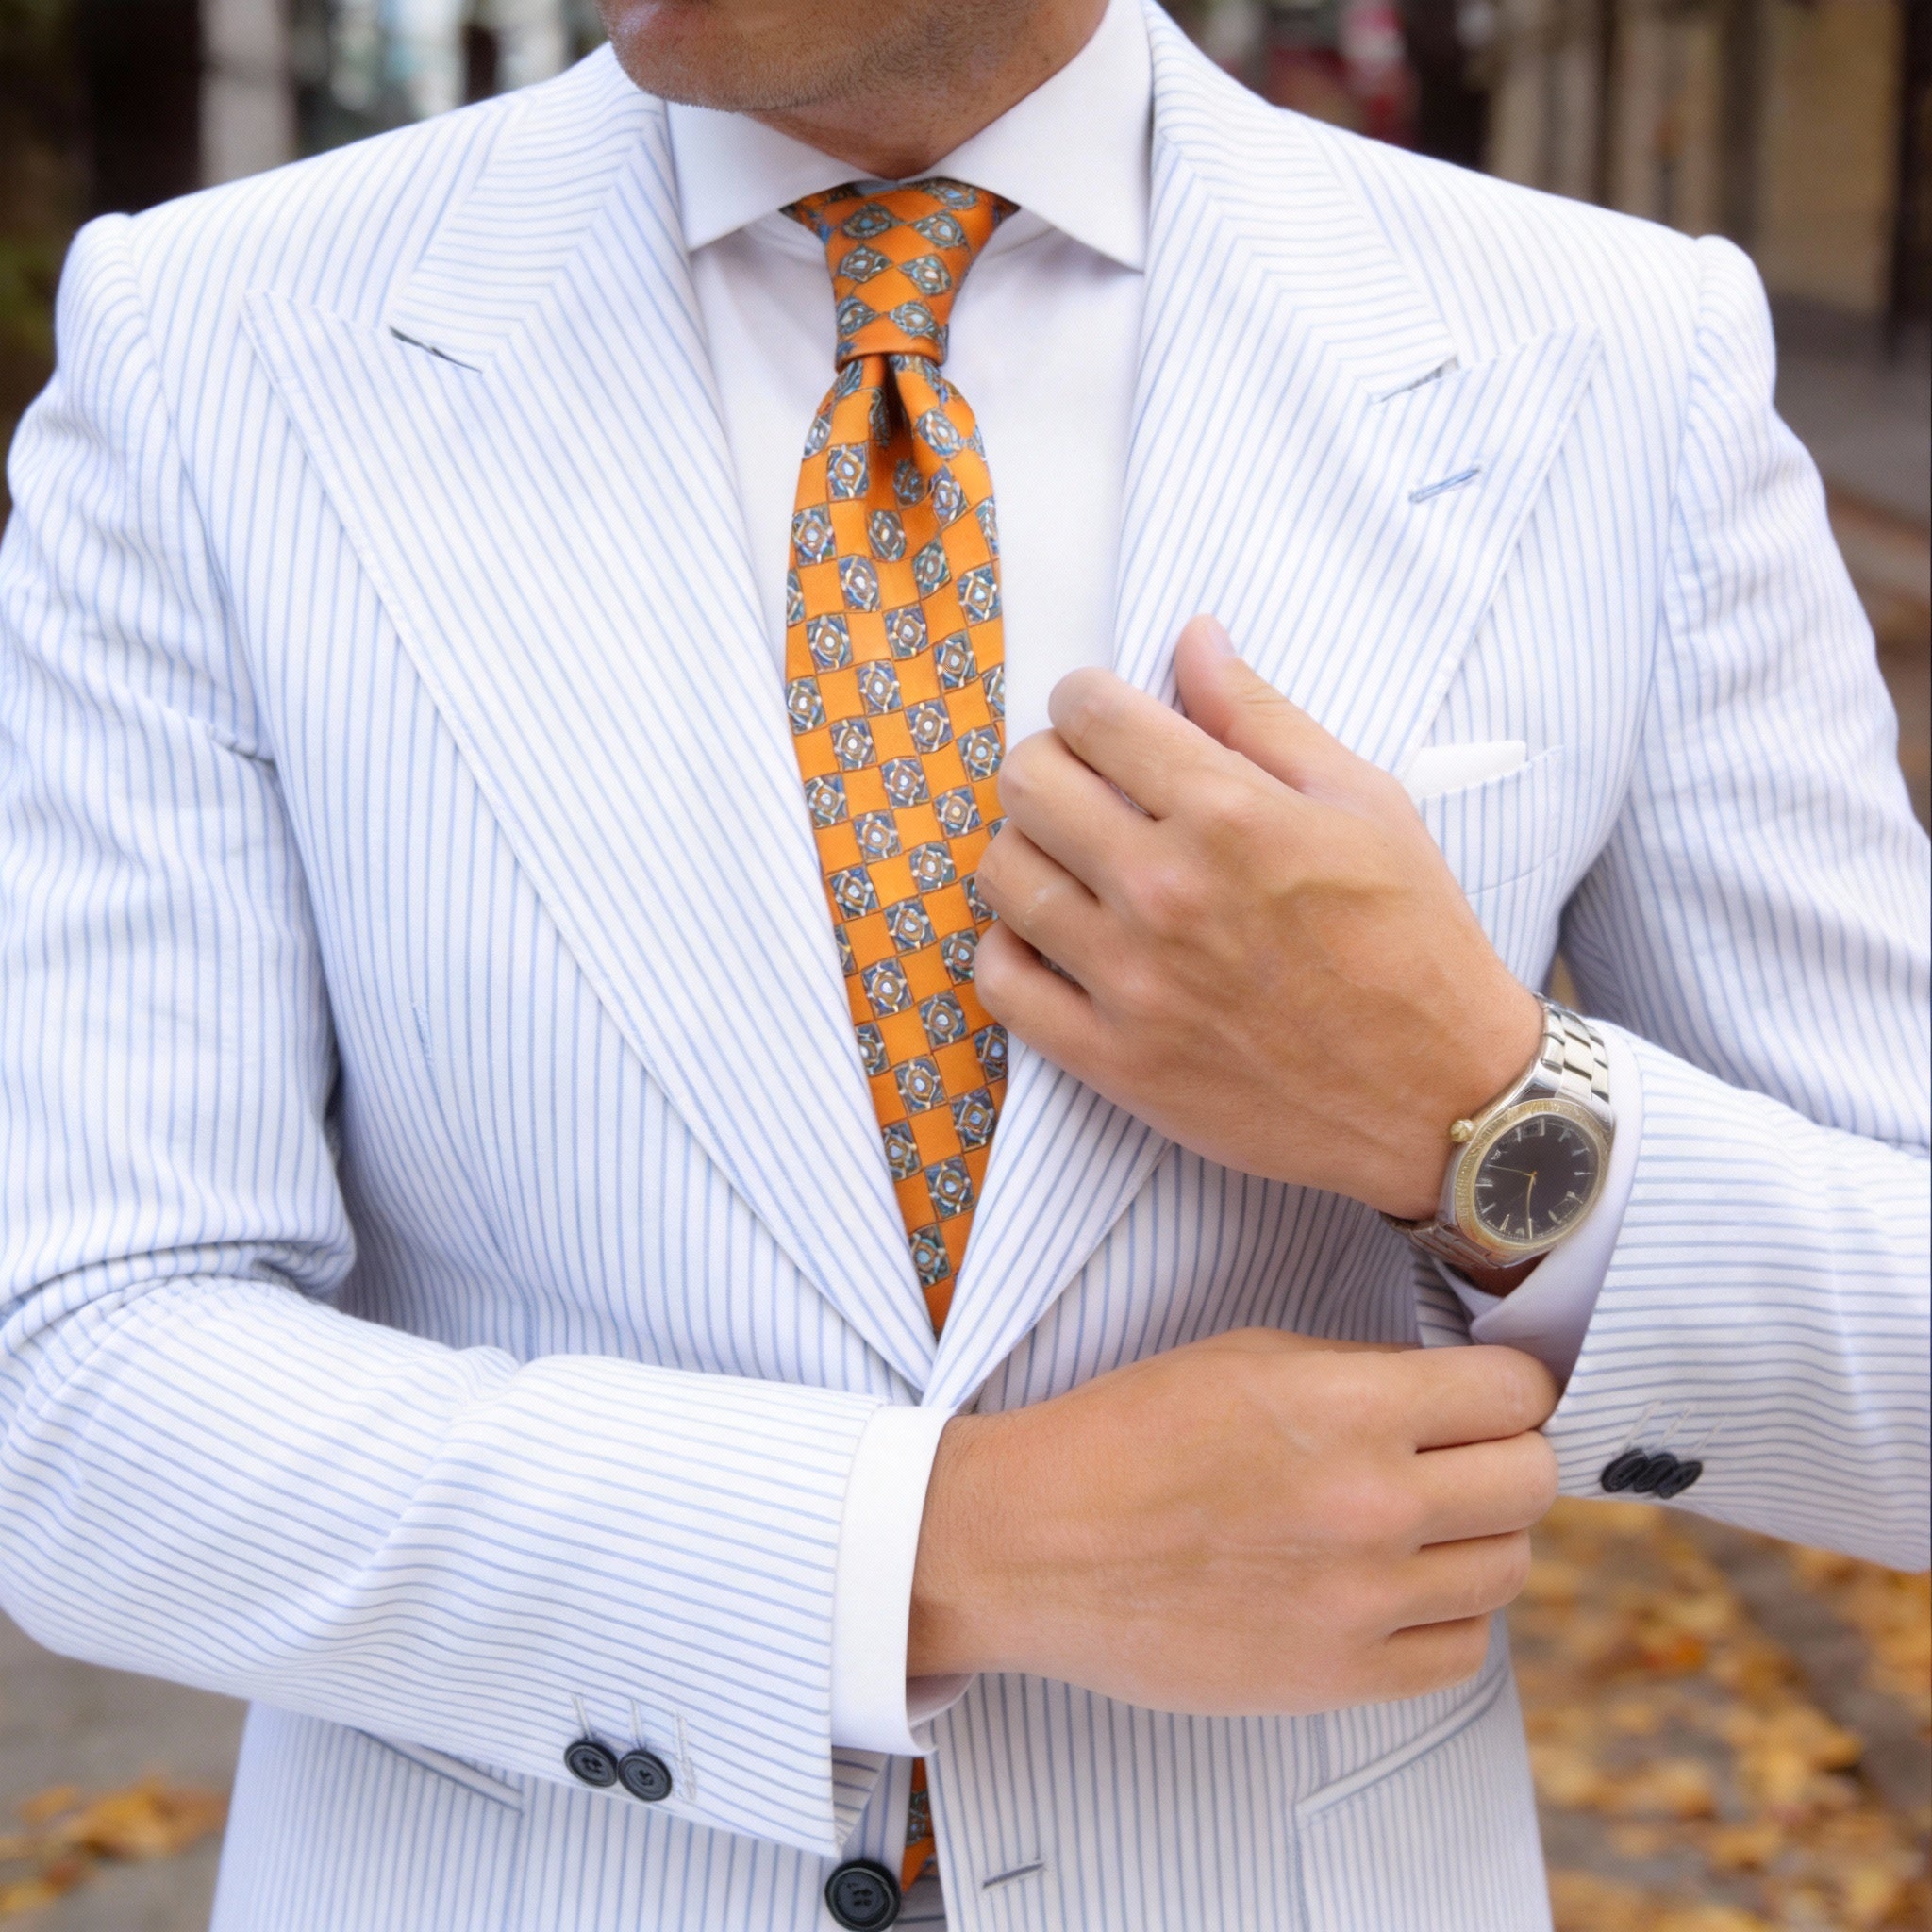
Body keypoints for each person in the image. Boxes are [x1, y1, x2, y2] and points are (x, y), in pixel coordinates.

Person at [0, 0, 1924, 1922]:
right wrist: (944, 1548)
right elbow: (70, 1389)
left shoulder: (1609, 358)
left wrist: (1487, 1112)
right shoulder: (213, 347)